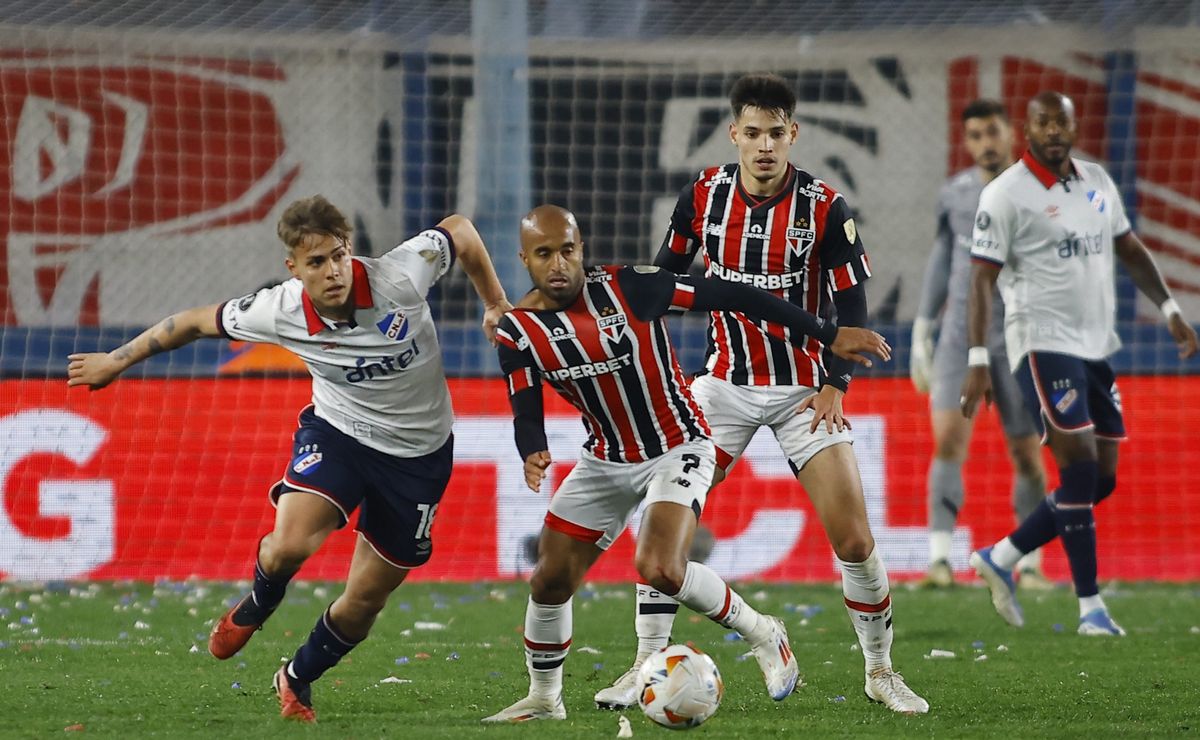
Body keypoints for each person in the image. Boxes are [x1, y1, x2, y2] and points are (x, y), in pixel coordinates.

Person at [66, 195, 511, 722]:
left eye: (340, 256)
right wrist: (115, 362)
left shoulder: (400, 275)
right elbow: (188, 322)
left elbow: (458, 229)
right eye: (317, 262)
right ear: (294, 269)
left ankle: (296, 676)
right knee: (288, 546)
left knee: (365, 602)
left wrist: (494, 301)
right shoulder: (277, 309)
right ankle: (257, 604)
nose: (333, 271)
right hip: (340, 434)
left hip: (418, 456)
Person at [595, 73, 929, 715]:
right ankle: (645, 665)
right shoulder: (702, 197)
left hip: (805, 388)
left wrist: (836, 383)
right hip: (722, 386)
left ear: (793, 134)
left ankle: (881, 672)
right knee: (664, 527)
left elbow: (852, 303)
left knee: (854, 540)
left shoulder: (826, 207)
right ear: (735, 135)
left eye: (777, 133)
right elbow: (665, 282)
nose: (765, 146)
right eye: (753, 133)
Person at [482, 204, 891, 723]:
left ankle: (764, 632)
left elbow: (734, 294)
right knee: (548, 579)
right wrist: (532, 449)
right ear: (524, 260)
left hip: (680, 444)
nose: (559, 264)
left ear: (581, 248)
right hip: (605, 459)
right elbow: (525, 405)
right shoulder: (518, 331)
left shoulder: (633, 287)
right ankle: (545, 699)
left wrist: (825, 333)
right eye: (544, 254)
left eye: (568, 250)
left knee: (659, 565)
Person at [962, 92, 1198, 636]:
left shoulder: (1096, 180)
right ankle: (1091, 608)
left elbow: (1130, 248)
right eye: (1042, 122)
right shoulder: (1005, 195)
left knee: (1104, 478)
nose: (1053, 132)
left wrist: (1170, 310)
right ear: (1027, 128)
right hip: (1041, 340)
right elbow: (980, 278)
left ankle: (1002, 555)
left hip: (1095, 346)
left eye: (1061, 123)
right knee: (1079, 470)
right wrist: (979, 359)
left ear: (1072, 127)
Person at [910, 99, 1050, 589]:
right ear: (966, 142)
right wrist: (922, 326)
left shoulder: (1038, 189)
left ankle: (1028, 563)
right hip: (957, 341)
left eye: (992, 131)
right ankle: (940, 561)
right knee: (948, 441)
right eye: (975, 135)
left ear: (1011, 132)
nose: (985, 143)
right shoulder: (955, 193)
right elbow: (942, 257)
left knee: (1027, 453)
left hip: (1019, 340)